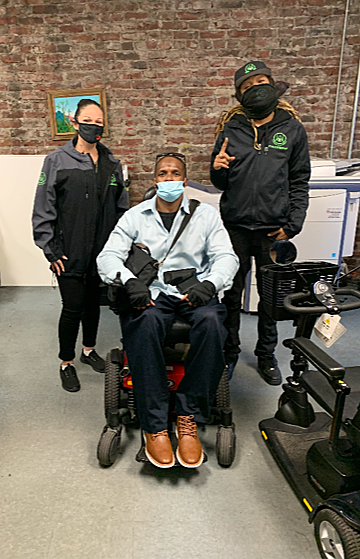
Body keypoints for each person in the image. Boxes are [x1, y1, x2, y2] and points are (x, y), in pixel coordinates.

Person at [97, 153, 239, 469]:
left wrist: (211, 284)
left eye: (176, 173)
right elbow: (107, 257)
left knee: (214, 325)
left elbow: (227, 257)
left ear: (185, 182)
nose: (169, 178)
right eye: (164, 173)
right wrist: (129, 280)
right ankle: (155, 425)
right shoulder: (135, 217)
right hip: (153, 293)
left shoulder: (206, 216)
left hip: (194, 291)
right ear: (156, 181)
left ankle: (187, 416)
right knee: (143, 323)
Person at [210, 60, 310, 385]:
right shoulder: (231, 129)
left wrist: (293, 223)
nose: (255, 88)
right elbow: (220, 181)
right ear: (239, 95)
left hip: (273, 230)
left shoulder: (292, 129)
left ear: (273, 84)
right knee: (230, 294)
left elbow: (299, 180)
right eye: (247, 86)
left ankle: (266, 356)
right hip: (234, 228)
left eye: (261, 81)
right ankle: (228, 353)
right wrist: (218, 168)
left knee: (270, 299)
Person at [32, 99, 129, 393]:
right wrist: (49, 249)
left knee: (93, 306)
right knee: (72, 308)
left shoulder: (112, 163)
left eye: (99, 122)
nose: (94, 126)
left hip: (102, 253)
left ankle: (88, 351)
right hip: (69, 251)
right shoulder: (56, 161)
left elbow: (122, 209)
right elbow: (43, 208)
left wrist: (119, 249)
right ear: (74, 123)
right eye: (88, 120)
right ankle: (66, 362)